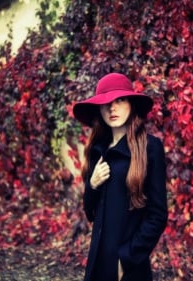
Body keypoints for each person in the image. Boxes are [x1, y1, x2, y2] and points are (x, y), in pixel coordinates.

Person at [73, 73, 168, 281]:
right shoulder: (97, 150)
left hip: (127, 265)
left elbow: (158, 215)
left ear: (131, 104)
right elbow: (90, 212)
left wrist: (127, 258)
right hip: (98, 260)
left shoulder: (150, 148)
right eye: (106, 103)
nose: (112, 108)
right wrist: (93, 185)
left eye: (120, 100)